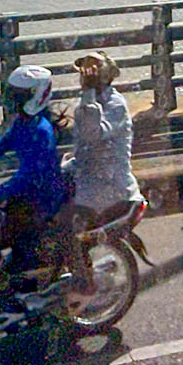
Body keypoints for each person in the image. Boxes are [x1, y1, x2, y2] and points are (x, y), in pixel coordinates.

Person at [0, 64, 71, 329]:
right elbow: (2, 146)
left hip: (41, 200)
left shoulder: (40, 131)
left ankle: (11, 295)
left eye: (21, 95)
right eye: (14, 94)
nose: (15, 100)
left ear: (37, 95)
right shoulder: (25, 123)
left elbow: (24, 178)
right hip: (28, 194)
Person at [59, 51, 145, 298]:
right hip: (91, 178)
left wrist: (87, 93)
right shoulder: (91, 101)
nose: (84, 77)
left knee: (60, 223)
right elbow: (89, 152)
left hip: (106, 189)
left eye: (90, 72)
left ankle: (82, 280)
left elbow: (92, 134)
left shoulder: (114, 105)